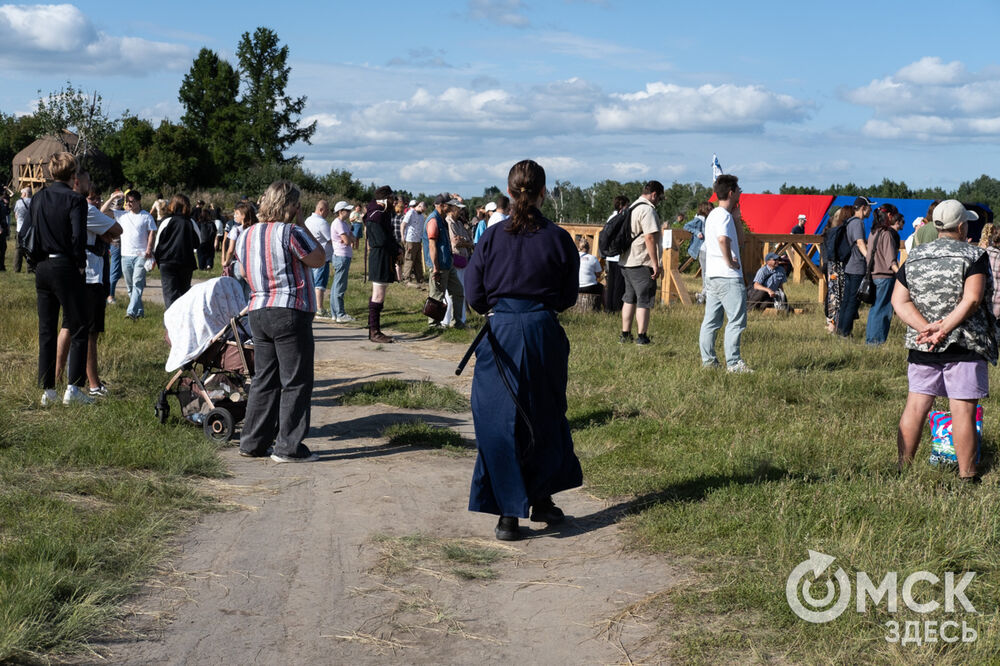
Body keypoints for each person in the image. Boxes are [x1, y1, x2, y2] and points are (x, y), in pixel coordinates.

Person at [465, 159, 582, 541]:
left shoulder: (491, 237)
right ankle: (530, 502)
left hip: (502, 333)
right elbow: (567, 296)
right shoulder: (559, 238)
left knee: (501, 421)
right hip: (541, 330)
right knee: (544, 415)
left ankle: (513, 512)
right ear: (543, 192)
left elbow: (474, 295)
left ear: (510, 192)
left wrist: (500, 311)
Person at [892, 200, 994, 482]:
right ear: (961, 226)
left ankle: (903, 468)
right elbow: (972, 299)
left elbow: (898, 300)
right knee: (962, 410)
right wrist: (945, 328)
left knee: (916, 406)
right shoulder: (973, 255)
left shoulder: (914, 255)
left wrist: (926, 329)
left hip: (923, 343)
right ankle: (967, 475)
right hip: (964, 342)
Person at [236, 180, 325, 463]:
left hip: (258, 309)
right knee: (296, 380)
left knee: (264, 379)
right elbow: (319, 259)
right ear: (292, 206)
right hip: (289, 309)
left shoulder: (246, 234)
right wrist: (302, 223)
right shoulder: (291, 232)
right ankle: (288, 447)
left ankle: (252, 441)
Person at [27, 153, 91, 405]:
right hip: (64, 264)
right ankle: (73, 389)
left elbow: (28, 233)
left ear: (50, 173)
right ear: (73, 175)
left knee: (46, 329)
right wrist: (80, 265)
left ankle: (48, 391)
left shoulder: (38, 197)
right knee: (78, 324)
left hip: (42, 266)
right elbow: (77, 238)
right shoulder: (76, 199)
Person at [54, 170, 121, 397]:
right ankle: (93, 383)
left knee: (68, 326)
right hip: (90, 274)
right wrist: (106, 232)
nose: (96, 200)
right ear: (78, 184)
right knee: (89, 331)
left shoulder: (64, 205)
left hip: (70, 270)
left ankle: (56, 377)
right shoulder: (86, 210)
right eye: (91, 193)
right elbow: (117, 230)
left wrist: (105, 233)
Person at [699, 174, 752, 373]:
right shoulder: (722, 215)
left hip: (712, 275)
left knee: (711, 321)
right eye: (738, 190)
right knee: (736, 320)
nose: (740, 193)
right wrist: (730, 262)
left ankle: (709, 362)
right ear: (731, 192)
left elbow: (739, 241)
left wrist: (737, 219)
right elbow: (723, 240)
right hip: (728, 276)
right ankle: (734, 363)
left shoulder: (715, 215)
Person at [619, 180, 664, 345]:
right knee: (644, 299)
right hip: (641, 260)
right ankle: (642, 336)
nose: (658, 201)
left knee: (628, 298)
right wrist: (655, 263)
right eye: (659, 198)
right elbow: (650, 237)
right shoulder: (647, 210)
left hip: (626, 260)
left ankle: (625, 334)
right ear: (654, 194)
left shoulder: (631, 208)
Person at [835, 196, 877, 338]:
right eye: (869, 207)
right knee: (853, 301)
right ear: (863, 208)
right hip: (857, 267)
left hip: (848, 266)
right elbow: (860, 243)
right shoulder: (858, 223)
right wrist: (870, 259)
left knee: (846, 300)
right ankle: (845, 333)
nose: (871, 210)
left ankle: (840, 330)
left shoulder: (849, 222)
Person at [365, 185, 402, 342]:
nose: (393, 202)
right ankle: (374, 331)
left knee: (378, 294)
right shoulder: (377, 215)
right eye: (391, 198)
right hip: (380, 257)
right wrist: (396, 250)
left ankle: (373, 329)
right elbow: (381, 240)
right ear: (384, 200)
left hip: (382, 256)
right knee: (378, 295)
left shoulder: (379, 214)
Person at [423, 193, 465, 328]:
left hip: (448, 263)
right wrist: (435, 268)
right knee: (436, 296)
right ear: (442, 206)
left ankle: (457, 322)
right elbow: (432, 246)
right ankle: (433, 324)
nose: (452, 207)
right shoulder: (433, 220)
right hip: (439, 265)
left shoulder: (442, 219)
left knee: (458, 292)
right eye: (450, 204)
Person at [865, 204, 904, 345]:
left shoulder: (873, 232)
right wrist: (901, 275)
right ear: (889, 216)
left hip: (873, 275)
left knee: (875, 310)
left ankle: (870, 340)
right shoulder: (886, 234)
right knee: (883, 312)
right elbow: (891, 261)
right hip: (885, 277)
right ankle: (876, 342)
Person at [114, 190, 157, 320]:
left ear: (139, 202)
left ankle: (131, 312)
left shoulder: (146, 216)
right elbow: (104, 211)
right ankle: (139, 311)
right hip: (125, 255)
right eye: (128, 201)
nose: (129, 204)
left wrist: (149, 249)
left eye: (132, 201)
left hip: (141, 255)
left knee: (137, 282)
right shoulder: (122, 215)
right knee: (129, 286)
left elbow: (152, 232)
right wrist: (114, 197)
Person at [153, 194, 200, 310]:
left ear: (172, 206)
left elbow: (157, 244)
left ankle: (170, 324)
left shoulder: (166, 221)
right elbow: (198, 242)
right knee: (183, 294)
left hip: (167, 262)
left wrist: (157, 259)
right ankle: (182, 321)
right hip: (186, 262)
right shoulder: (191, 222)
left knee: (170, 294)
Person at [821, 205, 853, 333]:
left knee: (833, 295)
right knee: (838, 295)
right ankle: (835, 325)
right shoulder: (839, 231)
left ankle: (832, 324)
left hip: (830, 266)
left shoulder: (828, 232)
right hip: (838, 266)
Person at [443, 199, 474, 328]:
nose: (460, 211)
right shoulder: (449, 222)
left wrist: (464, 241)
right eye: (458, 208)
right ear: (452, 208)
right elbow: (455, 242)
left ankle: (459, 319)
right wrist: (465, 242)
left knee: (461, 291)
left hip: (462, 259)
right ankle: (447, 320)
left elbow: (467, 239)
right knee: (453, 292)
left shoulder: (459, 223)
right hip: (455, 259)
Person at [305, 200, 334, 318]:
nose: (328, 213)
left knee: (311, 282)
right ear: (321, 210)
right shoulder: (322, 223)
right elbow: (331, 239)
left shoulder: (307, 220)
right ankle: (319, 308)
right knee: (320, 283)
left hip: (309, 256)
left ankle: (312, 306)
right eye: (327, 210)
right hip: (322, 257)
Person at [601, 195, 629, 313]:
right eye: (627, 205)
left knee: (610, 283)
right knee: (619, 283)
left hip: (609, 255)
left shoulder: (611, 218)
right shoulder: (621, 218)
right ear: (622, 205)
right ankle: (617, 307)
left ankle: (608, 307)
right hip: (618, 254)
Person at [329, 201, 355, 322]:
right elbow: (347, 241)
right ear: (340, 212)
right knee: (340, 286)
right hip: (341, 256)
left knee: (337, 284)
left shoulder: (344, 223)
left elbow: (352, 238)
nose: (349, 213)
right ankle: (340, 313)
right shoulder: (338, 223)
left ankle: (335, 313)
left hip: (343, 256)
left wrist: (348, 237)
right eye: (347, 210)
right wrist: (348, 238)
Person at [683, 201, 713, 303]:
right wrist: (697, 233)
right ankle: (703, 297)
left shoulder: (709, 219)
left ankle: (703, 296)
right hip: (704, 250)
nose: (711, 210)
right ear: (704, 209)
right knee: (706, 273)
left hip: (710, 250)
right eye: (709, 209)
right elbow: (686, 226)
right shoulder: (699, 220)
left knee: (709, 273)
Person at [399, 200, 426, 284]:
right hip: (410, 240)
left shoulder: (422, 216)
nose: (423, 211)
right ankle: (406, 278)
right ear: (419, 206)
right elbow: (403, 224)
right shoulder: (410, 213)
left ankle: (420, 278)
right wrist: (403, 236)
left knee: (418, 260)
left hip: (418, 240)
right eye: (423, 209)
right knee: (409, 259)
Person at [13, 187, 32, 273]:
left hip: (20, 228)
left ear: (24, 194)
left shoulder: (18, 202)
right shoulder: (33, 202)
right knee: (30, 249)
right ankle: (30, 269)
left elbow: (16, 215)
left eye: (21, 193)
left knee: (18, 249)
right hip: (30, 229)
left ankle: (17, 269)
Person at [0, 193, 9, 271]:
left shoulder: (3, 205)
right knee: (2, 247)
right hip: (1, 228)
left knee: (3, 248)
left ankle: (2, 266)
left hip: (3, 227)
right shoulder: (1, 204)